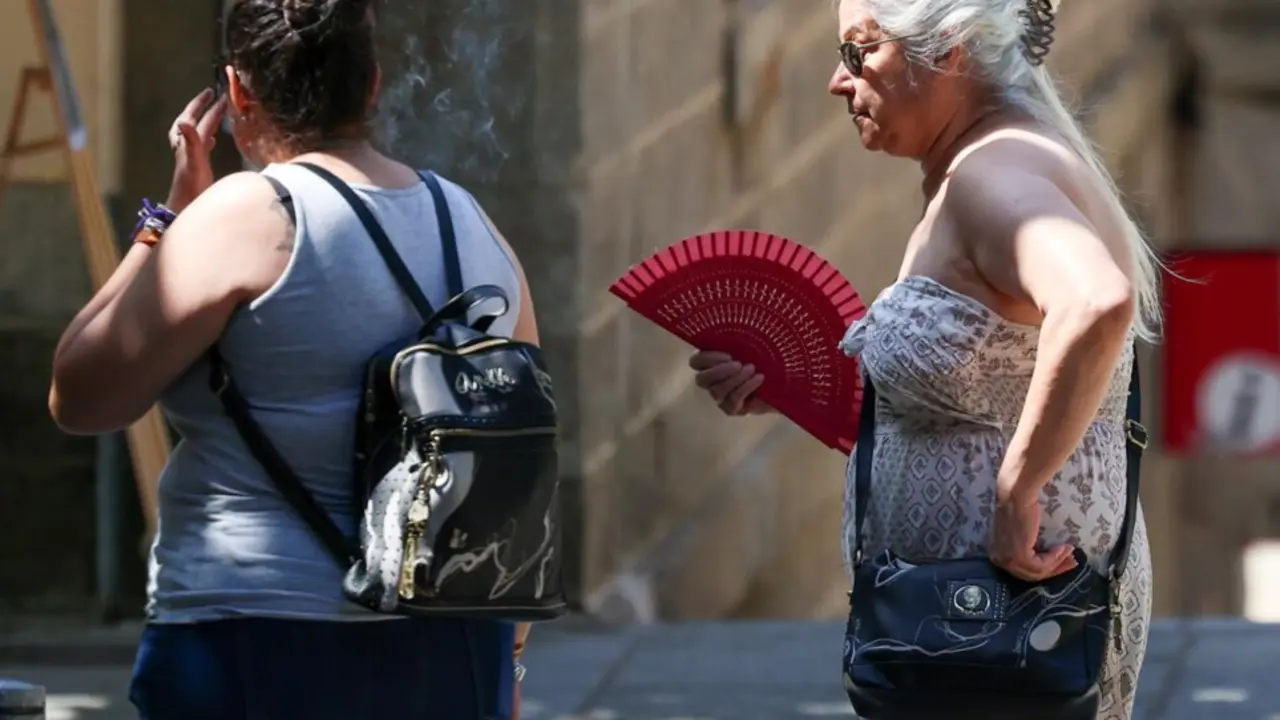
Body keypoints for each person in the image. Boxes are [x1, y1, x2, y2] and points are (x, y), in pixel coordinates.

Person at [48, 0, 533, 717]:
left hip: (256, 636)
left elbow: (81, 394)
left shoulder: (248, 213)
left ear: (239, 91)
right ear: (372, 84)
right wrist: (509, 661)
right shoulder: (470, 223)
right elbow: (520, 461)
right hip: (454, 645)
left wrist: (165, 223)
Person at [689, 0, 1156, 717]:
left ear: (953, 48)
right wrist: (794, 383)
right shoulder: (986, 162)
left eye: (860, 52)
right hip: (979, 626)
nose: (837, 84)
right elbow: (988, 374)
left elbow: (1096, 301)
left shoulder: (991, 176)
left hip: (1006, 621)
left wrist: (1016, 492)